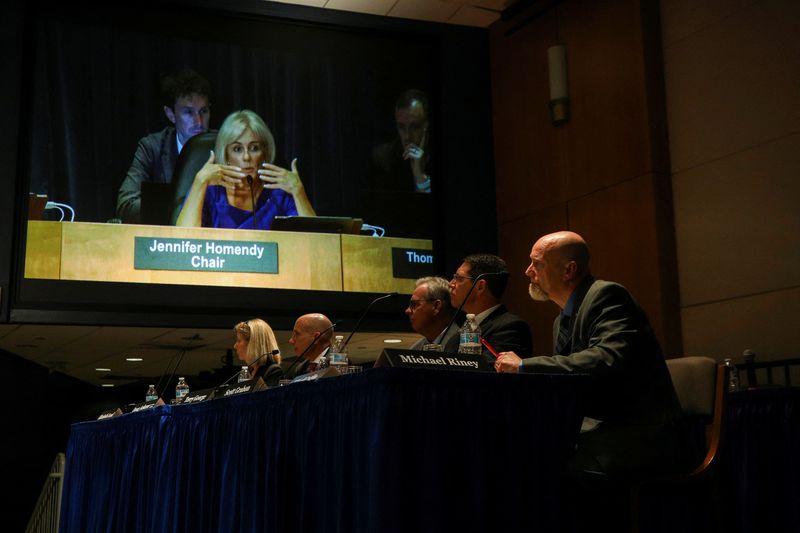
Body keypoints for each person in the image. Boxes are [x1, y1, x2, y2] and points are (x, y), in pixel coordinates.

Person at [494, 231, 692, 532]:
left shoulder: (607, 295)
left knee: (565, 470)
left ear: (569, 269)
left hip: (643, 434)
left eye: (537, 263)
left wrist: (524, 366)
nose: (527, 272)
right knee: (528, 459)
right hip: (605, 429)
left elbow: (606, 357)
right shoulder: (561, 319)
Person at [175, 109, 316, 229]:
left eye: (254, 148)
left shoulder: (278, 194)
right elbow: (182, 243)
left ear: (265, 153)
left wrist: (298, 192)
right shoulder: (210, 190)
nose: (246, 157)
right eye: (237, 149)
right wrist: (200, 182)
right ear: (226, 155)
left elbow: (315, 244)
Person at [116, 68, 212, 223]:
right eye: (188, 112)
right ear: (171, 114)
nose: (199, 122)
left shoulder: (225, 144)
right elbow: (125, 206)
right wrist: (187, 208)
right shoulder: (152, 147)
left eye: (204, 111)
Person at [443, 254, 533, 363]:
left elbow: (486, 372)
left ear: (480, 286)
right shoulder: (459, 333)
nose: (451, 284)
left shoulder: (510, 328)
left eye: (458, 278)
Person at [370, 89, 432, 193]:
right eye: (401, 127)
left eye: (415, 126)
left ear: (426, 125)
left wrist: (421, 177)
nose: (407, 136)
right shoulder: (383, 158)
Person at [406, 276, 460, 350]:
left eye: (415, 304)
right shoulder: (415, 350)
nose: (408, 311)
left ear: (436, 306)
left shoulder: (464, 346)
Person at [233, 318, 284, 388]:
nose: (235, 346)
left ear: (253, 343)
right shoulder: (248, 372)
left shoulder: (273, 371)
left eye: (239, 340)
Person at [284, 313, 334, 379]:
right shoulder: (301, 368)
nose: (291, 341)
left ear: (317, 337)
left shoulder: (337, 364)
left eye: (297, 334)